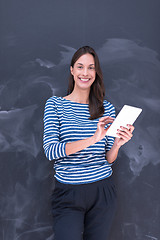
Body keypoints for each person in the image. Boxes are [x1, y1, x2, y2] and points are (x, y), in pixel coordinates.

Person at [43, 46, 134, 240]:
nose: (85, 73)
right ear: (72, 70)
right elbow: (51, 151)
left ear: (96, 72)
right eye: (80, 66)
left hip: (103, 191)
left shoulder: (106, 108)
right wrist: (93, 138)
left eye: (91, 68)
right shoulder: (55, 105)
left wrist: (117, 143)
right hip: (68, 192)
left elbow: (109, 159)